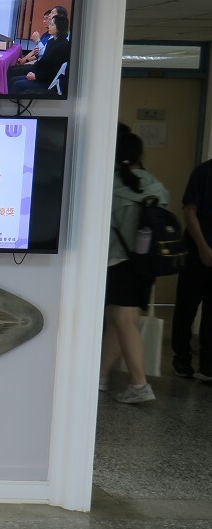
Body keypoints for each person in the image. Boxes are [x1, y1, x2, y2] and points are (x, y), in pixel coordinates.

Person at [100, 129, 169, 403]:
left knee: (124, 322)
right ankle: (101, 376)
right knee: (118, 321)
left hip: (119, 263)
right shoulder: (156, 186)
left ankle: (140, 385)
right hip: (146, 265)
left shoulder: (110, 187)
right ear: (141, 155)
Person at [172, 157, 212, 380]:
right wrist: (203, 247)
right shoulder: (203, 173)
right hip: (197, 253)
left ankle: (208, 365)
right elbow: (189, 211)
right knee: (187, 308)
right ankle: (182, 358)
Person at [11, 14, 70, 94]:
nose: (49, 26)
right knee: (13, 80)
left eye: (52, 24)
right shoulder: (51, 41)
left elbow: (54, 70)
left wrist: (36, 76)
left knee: (16, 84)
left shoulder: (63, 45)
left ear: (59, 28)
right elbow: (42, 62)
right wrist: (33, 73)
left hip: (47, 81)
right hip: (40, 74)